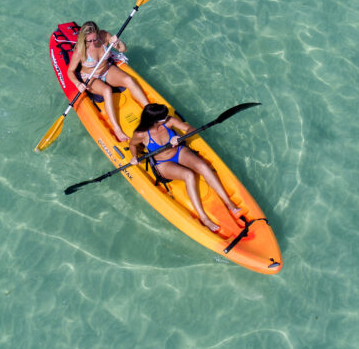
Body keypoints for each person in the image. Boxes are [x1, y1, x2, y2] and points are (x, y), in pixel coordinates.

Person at [128, 103, 243, 233]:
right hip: (163, 163)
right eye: (163, 117)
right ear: (153, 120)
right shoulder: (141, 134)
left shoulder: (169, 120)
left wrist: (180, 137)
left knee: (203, 166)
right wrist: (134, 156)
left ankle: (229, 204)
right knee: (189, 175)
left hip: (179, 152)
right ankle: (204, 218)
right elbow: (132, 144)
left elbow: (190, 129)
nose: (166, 118)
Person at [67, 21, 149, 141]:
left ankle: (150, 110)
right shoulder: (80, 50)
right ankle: (117, 129)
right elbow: (70, 71)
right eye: (89, 41)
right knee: (107, 90)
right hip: (90, 77)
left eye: (95, 39)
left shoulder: (104, 35)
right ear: (84, 39)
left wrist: (118, 42)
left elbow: (123, 49)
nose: (93, 43)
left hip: (106, 70)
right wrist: (78, 83)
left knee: (128, 80)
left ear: (98, 33)